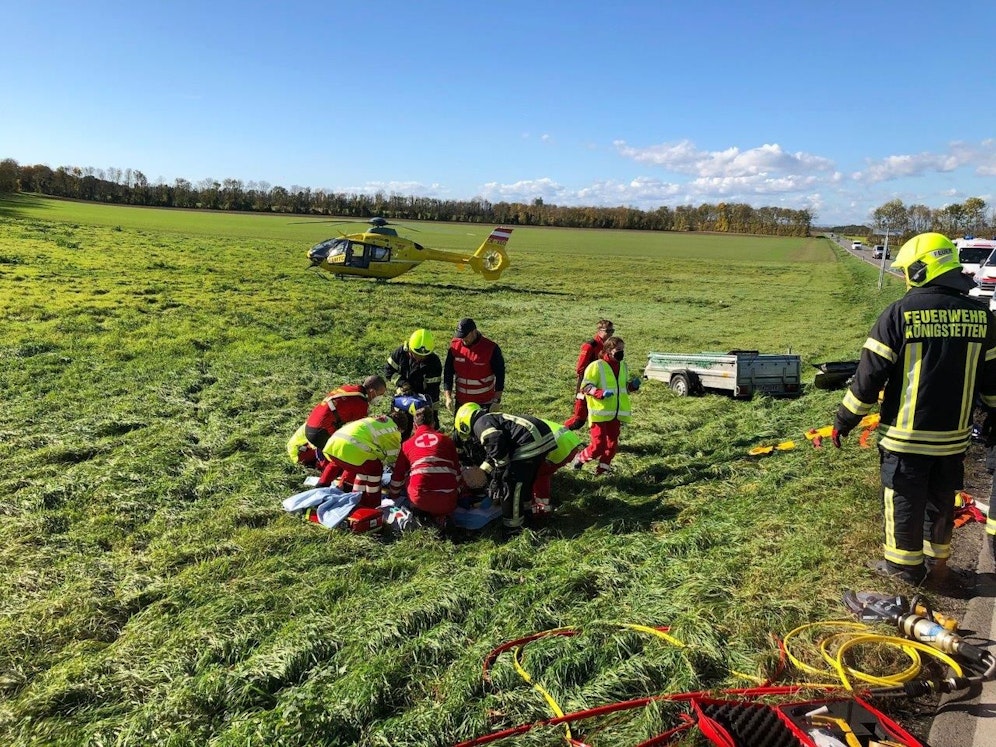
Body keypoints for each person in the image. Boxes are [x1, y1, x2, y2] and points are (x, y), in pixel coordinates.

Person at [832, 232, 996, 585]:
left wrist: (844, 420)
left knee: (904, 502)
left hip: (905, 439)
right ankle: (937, 569)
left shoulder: (899, 313)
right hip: (954, 440)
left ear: (921, 270)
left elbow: (868, 378)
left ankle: (904, 570)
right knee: (941, 501)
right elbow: (993, 382)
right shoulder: (983, 317)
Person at [454, 403, 556, 531]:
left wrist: (499, 476)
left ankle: (513, 528)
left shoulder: (479, 424)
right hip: (542, 437)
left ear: (464, 425)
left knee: (510, 485)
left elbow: (494, 441)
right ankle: (527, 514)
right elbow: (493, 455)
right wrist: (486, 472)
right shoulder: (491, 418)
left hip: (527, 443)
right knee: (525, 483)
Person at [572, 336, 641, 475]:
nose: (622, 352)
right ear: (609, 350)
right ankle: (580, 458)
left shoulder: (623, 366)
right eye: (619, 349)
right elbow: (585, 387)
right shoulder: (596, 366)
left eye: (623, 349)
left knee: (612, 444)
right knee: (598, 446)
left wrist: (632, 387)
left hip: (616, 413)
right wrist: (600, 393)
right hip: (599, 412)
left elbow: (623, 388)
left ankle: (603, 469)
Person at [287, 375, 387, 466]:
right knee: (342, 459)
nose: (380, 398)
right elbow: (361, 429)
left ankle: (316, 457)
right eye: (380, 394)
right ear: (372, 391)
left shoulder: (350, 389)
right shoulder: (360, 402)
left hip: (312, 424)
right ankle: (321, 470)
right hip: (320, 431)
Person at [388, 404, 462, 527]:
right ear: (433, 424)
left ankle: (422, 516)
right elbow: (457, 472)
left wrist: (393, 496)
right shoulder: (447, 441)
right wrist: (461, 492)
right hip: (449, 501)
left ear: (414, 426)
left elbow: (398, 476)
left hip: (420, 500)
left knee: (410, 477)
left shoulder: (407, 444)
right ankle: (442, 517)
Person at [317, 413, 403, 507]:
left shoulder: (376, 421)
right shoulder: (394, 431)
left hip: (332, 444)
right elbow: (394, 461)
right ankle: (371, 504)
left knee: (357, 467)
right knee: (375, 470)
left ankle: (321, 487)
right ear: (401, 428)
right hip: (352, 447)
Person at [443, 318, 505, 413]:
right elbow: (448, 373)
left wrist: (497, 401)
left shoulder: (491, 348)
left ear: (474, 332)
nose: (463, 339)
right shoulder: (454, 347)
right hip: (461, 403)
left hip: (484, 403)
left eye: (465, 336)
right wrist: (448, 397)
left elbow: (500, 375)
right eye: (460, 336)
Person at [384, 329, 443, 425]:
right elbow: (388, 371)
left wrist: (433, 414)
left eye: (423, 356)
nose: (420, 358)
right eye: (417, 354)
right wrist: (402, 383)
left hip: (422, 401)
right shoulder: (401, 353)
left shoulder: (433, 362)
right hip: (403, 398)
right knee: (399, 428)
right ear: (410, 348)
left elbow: (434, 389)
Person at [564, 319, 615, 430]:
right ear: (599, 331)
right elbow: (581, 368)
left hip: (601, 385)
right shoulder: (590, 346)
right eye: (608, 331)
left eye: (612, 331)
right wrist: (581, 389)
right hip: (587, 384)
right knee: (578, 420)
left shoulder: (608, 346)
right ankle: (559, 434)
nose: (611, 334)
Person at [532, 419, 584, 516]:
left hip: (559, 447)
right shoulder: (513, 421)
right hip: (570, 440)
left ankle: (541, 510)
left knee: (539, 475)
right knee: (541, 474)